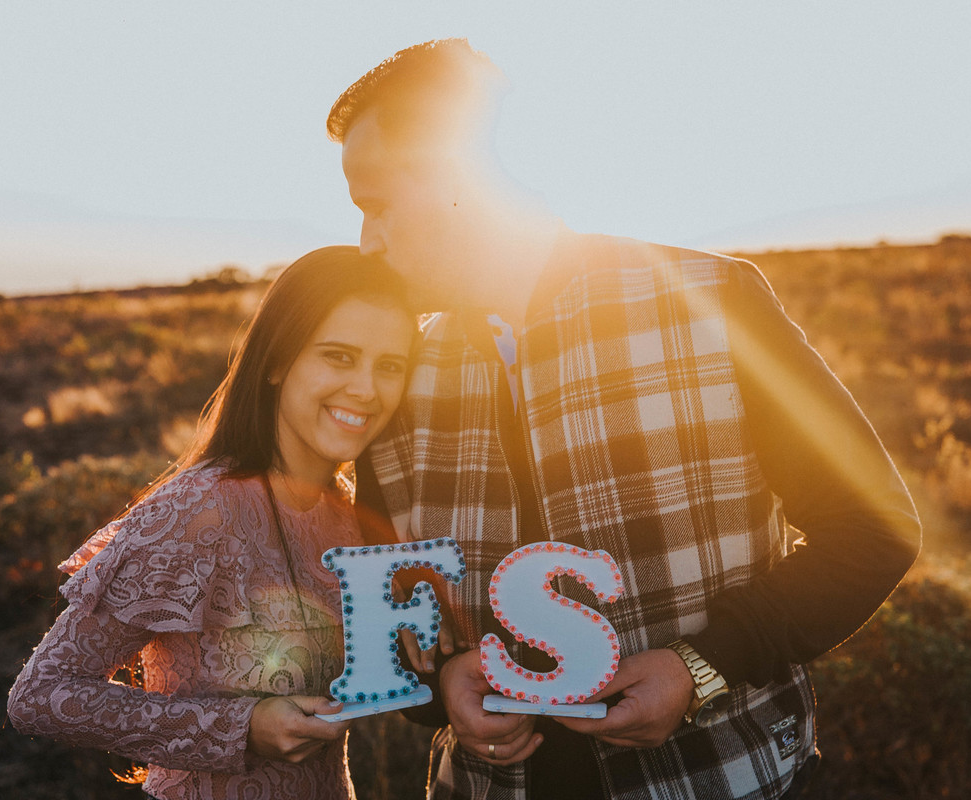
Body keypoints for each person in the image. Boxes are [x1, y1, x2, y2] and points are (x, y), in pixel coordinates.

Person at [327, 39, 922, 800]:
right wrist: (444, 687)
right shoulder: (397, 373)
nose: (368, 242)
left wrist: (699, 667)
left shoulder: (709, 301)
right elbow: (389, 616)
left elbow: (873, 530)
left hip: (726, 783)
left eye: (375, 206)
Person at [7, 246, 417, 800]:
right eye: (339, 356)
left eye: (389, 365)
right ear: (276, 361)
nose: (367, 389)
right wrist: (240, 727)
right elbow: (41, 695)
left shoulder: (346, 511)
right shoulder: (197, 510)